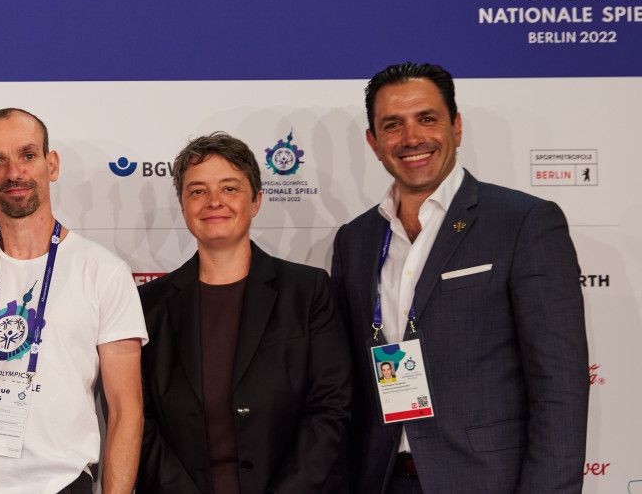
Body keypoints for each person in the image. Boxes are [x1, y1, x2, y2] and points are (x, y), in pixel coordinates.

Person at [332, 62, 587, 494]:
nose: (412, 138)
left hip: (488, 482)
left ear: (456, 125)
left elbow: (559, 386)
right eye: (393, 125)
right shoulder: (355, 240)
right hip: (382, 481)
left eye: (426, 119)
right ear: (374, 143)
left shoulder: (523, 222)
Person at [0, 108, 147, 494]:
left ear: (52, 164)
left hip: (58, 484)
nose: (13, 172)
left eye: (27, 155)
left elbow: (125, 411)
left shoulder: (103, 270)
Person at [135, 132, 350, 494]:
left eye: (230, 188)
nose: (214, 202)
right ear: (183, 204)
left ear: (256, 201)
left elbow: (330, 409)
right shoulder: (148, 305)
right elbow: (140, 420)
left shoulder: (308, 290)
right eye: (198, 191)